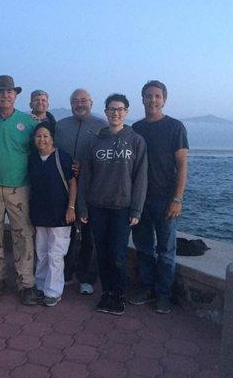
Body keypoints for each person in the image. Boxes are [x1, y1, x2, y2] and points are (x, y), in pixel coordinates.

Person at [79, 94, 147, 315]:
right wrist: (83, 207)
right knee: (102, 253)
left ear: (126, 112)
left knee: (117, 254)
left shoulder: (136, 141)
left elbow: (140, 177)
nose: (115, 113)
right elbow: (85, 177)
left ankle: (118, 295)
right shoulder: (94, 141)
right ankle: (106, 293)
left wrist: (136, 208)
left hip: (122, 207)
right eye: (111, 109)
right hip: (97, 206)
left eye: (120, 109)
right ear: (106, 112)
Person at [130, 80, 189, 314]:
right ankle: (147, 289)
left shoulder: (175, 127)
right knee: (144, 248)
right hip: (140, 200)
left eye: (157, 96)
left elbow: (182, 166)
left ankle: (163, 294)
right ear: (142, 99)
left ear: (164, 100)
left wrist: (178, 199)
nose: (152, 100)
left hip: (165, 199)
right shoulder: (135, 128)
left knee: (166, 250)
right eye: (148, 96)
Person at [0, 75, 38, 305]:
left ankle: (26, 283)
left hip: (21, 186)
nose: (5, 95)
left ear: (16, 95)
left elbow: (42, 150)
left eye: (10, 92)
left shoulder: (29, 122)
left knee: (23, 235)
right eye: (1, 91)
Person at [55, 89, 106, 295]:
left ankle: (86, 277)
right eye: (75, 100)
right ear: (70, 103)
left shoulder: (102, 126)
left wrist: (83, 166)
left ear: (91, 103)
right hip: (63, 187)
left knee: (89, 235)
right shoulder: (60, 126)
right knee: (64, 232)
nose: (79, 103)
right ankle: (65, 273)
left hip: (91, 188)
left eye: (84, 100)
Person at [29, 122, 77, 306]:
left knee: (56, 254)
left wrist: (71, 207)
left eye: (45, 136)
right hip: (39, 213)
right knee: (41, 253)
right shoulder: (33, 159)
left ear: (52, 138)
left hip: (60, 215)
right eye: (38, 136)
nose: (42, 139)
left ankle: (54, 290)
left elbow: (72, 183)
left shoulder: (62, 157)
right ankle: (40, 286)